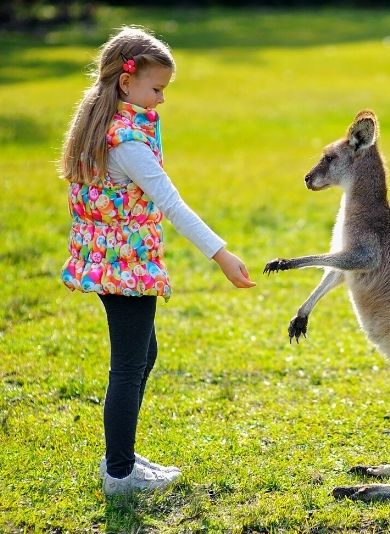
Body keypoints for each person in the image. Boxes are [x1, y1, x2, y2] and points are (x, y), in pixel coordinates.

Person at [59, 26, 256, 496]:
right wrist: (222, 255)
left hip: (114, 260)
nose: (162, 100)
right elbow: (172, 204)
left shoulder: (106, 123)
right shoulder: (126, 141)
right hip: (124, 267)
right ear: (127, 84)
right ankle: (121, 476)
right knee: (129, 366)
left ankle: (119, 458)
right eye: (157, 89)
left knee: (143, 356)